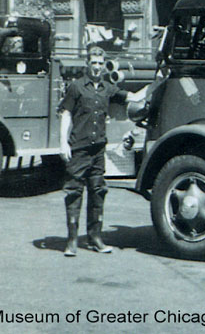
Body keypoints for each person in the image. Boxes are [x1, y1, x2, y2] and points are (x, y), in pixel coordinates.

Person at [58, 46, 139, 256]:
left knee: (98, 192)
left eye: (100, 63)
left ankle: (95, 238)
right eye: (93, 63)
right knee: (74, 192)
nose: (96, 67)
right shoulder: (76, 87)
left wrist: (159, 82)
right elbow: (65, 114)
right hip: (79, 149)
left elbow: (133, 97)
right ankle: (72, 240)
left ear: (104, 66)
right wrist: (63, 143)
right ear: (87, 64)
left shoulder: (107, 88)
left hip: (97, 150)